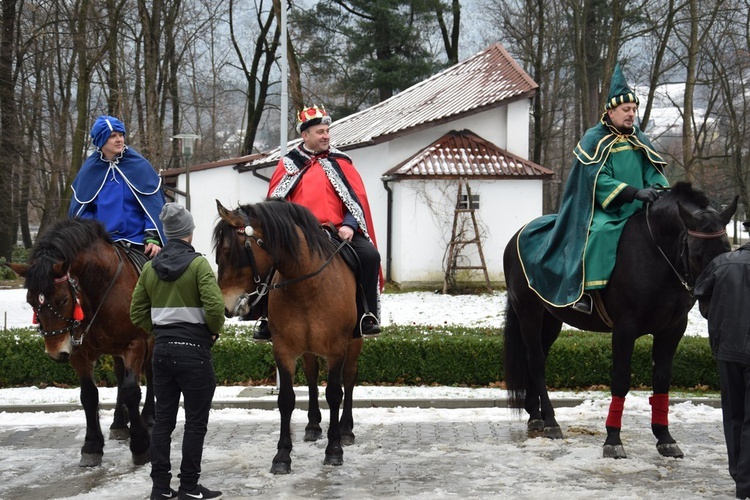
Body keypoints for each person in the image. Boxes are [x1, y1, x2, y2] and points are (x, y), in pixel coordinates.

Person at [517, 63, 669, 314]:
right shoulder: (593, 139)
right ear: (611, 112)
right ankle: (586, 293)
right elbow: (598, 180)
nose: (631, 114)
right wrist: (632, 192)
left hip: (639, 208)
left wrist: (660, 191)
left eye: (633, 109)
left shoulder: (639, 138)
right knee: (599, 232)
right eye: (626, 109)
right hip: (604, 210)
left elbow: (652, 169)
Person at [255, 104, 383, 342]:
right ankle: (265, 318)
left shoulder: (341, 162)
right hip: (298, 235)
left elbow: (357, 201)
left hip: (338, 232)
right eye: (320, 132)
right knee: (268, 258)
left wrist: (349, 226)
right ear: (305, 136)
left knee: (370, 256)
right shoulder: (288, 164)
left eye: (327, 131)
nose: (326, 136)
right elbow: (275, 206)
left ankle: (367, 315)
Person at [130, 203, 225, 500]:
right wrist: (210, 331)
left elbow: (137, 313)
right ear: (190, 232)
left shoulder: (148, 268)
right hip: (195, 352)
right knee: (196, 422)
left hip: (162, 353)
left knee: (163, 422)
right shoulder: (198, 265)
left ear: (167, 233)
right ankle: (189, 486)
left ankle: (160, 488)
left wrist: (160, 330)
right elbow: (215, 308)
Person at [694, 224, 750, 500]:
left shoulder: (722, 263)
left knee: (734, 415)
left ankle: (741, 480)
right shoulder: (723, 263)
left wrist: (718, 321)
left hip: (728, 348)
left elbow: (702, 296)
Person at [70, 115, 166, 258]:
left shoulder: (139, 165)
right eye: (113, 136)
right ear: (101, 140)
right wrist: (94, 236)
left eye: (121, 135)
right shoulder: (89, 171)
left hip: (140, 241)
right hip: (102, 243)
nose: (119, 139)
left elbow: (154, 206)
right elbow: (82, 212)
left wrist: (152, 236)